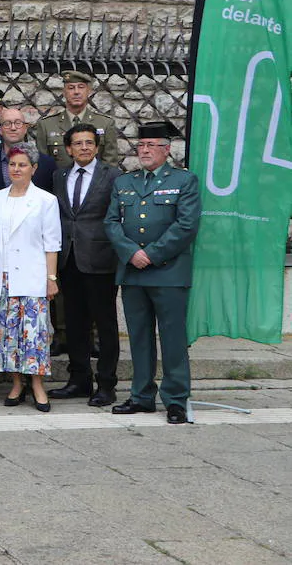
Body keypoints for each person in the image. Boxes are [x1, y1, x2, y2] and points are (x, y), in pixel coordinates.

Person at [105, 120, 201, 425]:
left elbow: (186, 226)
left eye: (151, 145)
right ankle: (142, 395)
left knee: (173, 338)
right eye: (141, 145)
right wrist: (132, 253)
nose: (144, 150)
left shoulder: (184, 181)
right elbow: (111, 223)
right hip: (133, 271)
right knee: (139, 338)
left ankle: (175, 399)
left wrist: (152, 254)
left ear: (166, 149)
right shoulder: (124, 182)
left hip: (169, 272)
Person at [48, 123, 123, 407]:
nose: (84, 148)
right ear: (68, 148)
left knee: (104, 325)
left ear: (96, 146)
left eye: (89, 143)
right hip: (69, 259)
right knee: (75, 324)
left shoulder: (112, 175)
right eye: (78, 143)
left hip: (101, 261)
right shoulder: (59, 175)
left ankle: (106, 384)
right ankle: (79, 379)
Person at [0, 144, 61, 413]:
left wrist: (51, 277)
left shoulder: (45, 201)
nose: (16, 169)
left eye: (22, 165)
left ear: (34, 168)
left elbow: (52, 243)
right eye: (12, 164)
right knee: (5, 335)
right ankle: (16, 383)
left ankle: (37, 384)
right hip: (0, 276)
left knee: (33, 335)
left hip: (31, 275)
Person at [35, 70, 122, 169]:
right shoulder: (47, 125)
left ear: (88, 91)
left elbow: (109, 166)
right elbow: (43, 165)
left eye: (81, 87)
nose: (76, 92)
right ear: (64, 93)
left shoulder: (105, 124)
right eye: (71, 88)